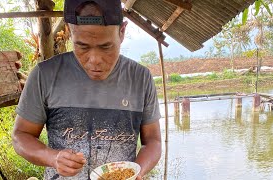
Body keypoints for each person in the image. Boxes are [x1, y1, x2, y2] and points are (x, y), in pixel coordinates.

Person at [11, 0, 162, 179]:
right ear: (70, 30)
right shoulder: (45, 75)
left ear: (122, 32)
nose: (94, 60)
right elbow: (21, 135)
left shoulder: (140, 78)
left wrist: (138, 170)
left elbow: (153, 140)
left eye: (106, 46)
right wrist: (52, 157)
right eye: (82, 46)